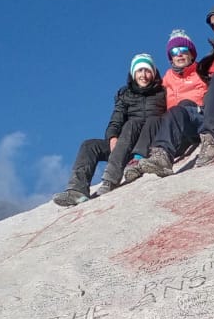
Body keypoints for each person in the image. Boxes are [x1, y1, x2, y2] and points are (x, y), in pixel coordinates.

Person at [52, 54, 166, 206]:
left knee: (132, 124)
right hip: (126, 143)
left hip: (149, 142)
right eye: (139, 71)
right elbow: (116, 120)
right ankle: (77, 191)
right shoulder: (125, 94)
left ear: (153, 72)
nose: (143, 76)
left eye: (147, 71)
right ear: (133, 73)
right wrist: (112, 137)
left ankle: (110, 180)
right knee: (89, 145)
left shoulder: (162, 92)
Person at [125, 29, 210, 180]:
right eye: (175, 51)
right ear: (170, 56)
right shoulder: (167, 79)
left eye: (184, 50)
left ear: (191, 53)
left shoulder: (202, 71)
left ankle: (163, 157)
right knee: (154, 119)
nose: (179, 54)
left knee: (182, 105)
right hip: (176, 128)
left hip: (197, 120)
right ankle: (139, 160)